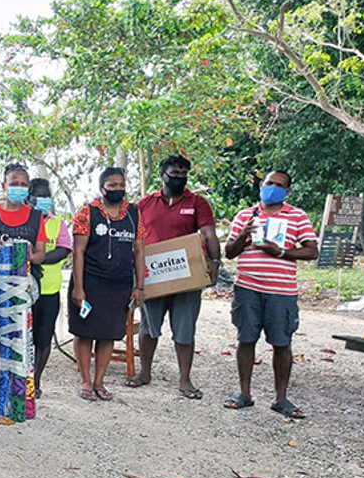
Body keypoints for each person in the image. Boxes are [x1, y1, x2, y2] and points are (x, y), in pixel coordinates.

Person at [223, 170, 318, 418]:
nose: (272, 187)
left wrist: (281, 252)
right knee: (246, 339)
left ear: (287, 192)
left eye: (279, 185)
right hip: (247, 288)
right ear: (261, 186)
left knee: (282, 343)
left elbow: (311, 251)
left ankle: (281, 398)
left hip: (281, 291)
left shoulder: (297, 216)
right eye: (269, 183)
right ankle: (244, 393)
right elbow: (229, 252)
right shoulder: (245, 215)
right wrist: (243, 234)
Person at [128, 155, 220, 399]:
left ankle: (185, 379)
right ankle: (144, 372)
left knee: (185, 329)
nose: (178, 179)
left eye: (182, 175)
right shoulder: (144, 204)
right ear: (162, 175)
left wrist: (215, 262)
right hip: (152, 275)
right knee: (149, 327)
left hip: (185, 277)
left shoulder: (198, 202)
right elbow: (133, 238)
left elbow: (208, 233)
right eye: (174, 175)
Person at [69, 167, 145, 401]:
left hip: (119, 285)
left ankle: (99, 382)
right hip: (90, 282)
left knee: (109, 334)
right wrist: (78, 287)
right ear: (101, 188)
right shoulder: (87, 213)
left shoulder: (133, 213)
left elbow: (139, 250)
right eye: (112, 186)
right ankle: (85, 381)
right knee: (84, 332)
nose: (118, 190)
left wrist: (139, 286)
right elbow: (78, 252)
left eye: (121, 185)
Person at [0, 163, 48, 405]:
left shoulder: (36, 216)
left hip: (24, 287)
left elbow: (41, 253)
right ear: (3, 185)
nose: (19, 188)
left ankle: (19, 393)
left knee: (21, 337)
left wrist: (23, 256)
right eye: (14, 183)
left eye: (23, 184)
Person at [29, 178, 72, 399]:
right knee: (23, 339)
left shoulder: (57, 222)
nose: (44, 200)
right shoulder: (24, 220)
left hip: (49, 290)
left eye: (47, 196)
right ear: (29, 197)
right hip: (24, 291)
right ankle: (22, 379)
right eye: (39, 195)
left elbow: (64, 250)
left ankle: (35, 381)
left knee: (43, 339)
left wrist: (37, 258)